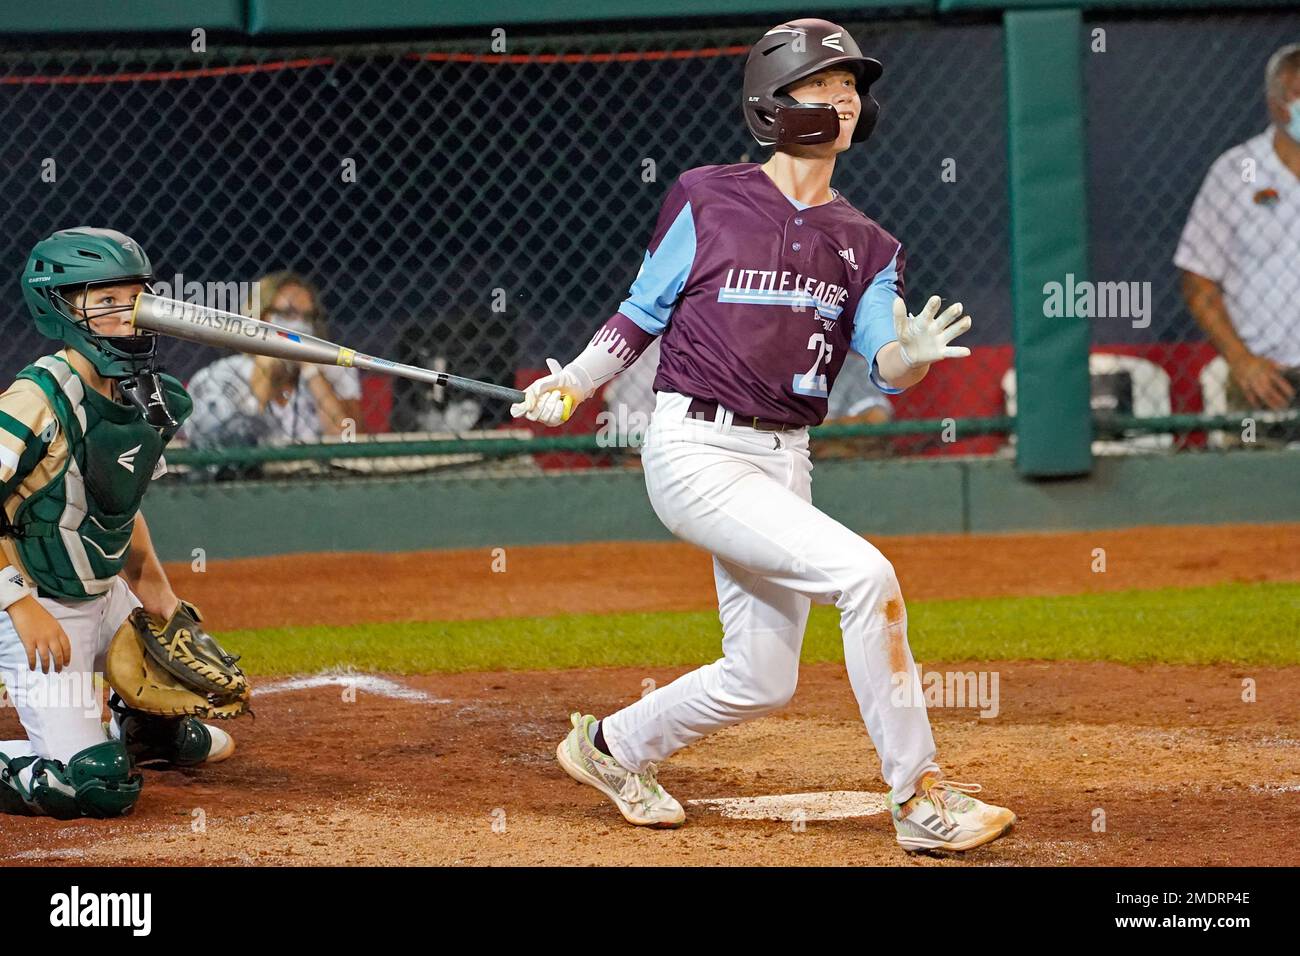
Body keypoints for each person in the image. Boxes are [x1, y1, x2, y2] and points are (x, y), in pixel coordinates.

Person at [513, 19, 1015, 853]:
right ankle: (920, 797)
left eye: (851, 88)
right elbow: (642, 312)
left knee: (761, 677)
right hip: (695, 449)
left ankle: (611, 747)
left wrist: (914, 358)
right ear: (774, 102)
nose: (844, 101)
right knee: (866, 576)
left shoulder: (868, 244)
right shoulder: (707, 196)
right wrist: (574, 382)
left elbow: (887, 360)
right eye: (823, 86)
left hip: (786, 458)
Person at [0, 228, 236, 819]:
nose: (125, 314)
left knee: (177, 729)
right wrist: (18, 603)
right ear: (59, 307)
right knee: (92, 787)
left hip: (103, 594)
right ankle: (47, 757)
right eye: (103, 301)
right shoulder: (35, 400)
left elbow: (116, 506)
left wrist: (155, 586)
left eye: (132, 297)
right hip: (31, 599)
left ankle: (138, 730)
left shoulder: (147, 398)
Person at [1176, 43, 1300, 437]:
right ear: (1276, 104)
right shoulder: (1236, 173)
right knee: (1253, 494)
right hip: (1264, 382)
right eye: (1298, 94)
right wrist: (1242, 361)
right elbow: (1198, 281)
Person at [185, 271, 362, 459]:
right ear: (261, 316)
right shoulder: (222, 375)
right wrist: (264, 373)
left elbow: (348, 440)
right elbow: (223, 446)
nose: (299, 325)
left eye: (308, 317)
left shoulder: (333, 370)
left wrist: (311, 371)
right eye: (288, 314)